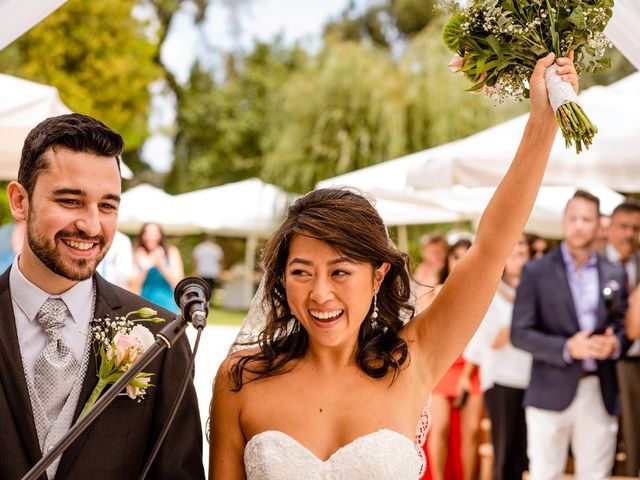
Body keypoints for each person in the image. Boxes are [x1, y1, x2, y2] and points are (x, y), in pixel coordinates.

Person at [209, 53, 580, 480]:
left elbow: (491, 248)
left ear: (378, 275)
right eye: (301, 272)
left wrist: (543, 122)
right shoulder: (241, 379)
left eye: (341, 271)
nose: (320, 293)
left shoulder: (415, 360)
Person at [0, 113, 204, 479]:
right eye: (70, 201)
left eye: (107, 206)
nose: (92, 226)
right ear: (20, 201)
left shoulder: (163, 339)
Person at [511, 190, 628, 480]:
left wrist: (615, 344)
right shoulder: (536, 271)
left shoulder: (614, 271)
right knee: (545, 474)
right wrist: (566, 348)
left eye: (586, 219)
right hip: (549, 390)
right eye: (573, 218)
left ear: (599, 224)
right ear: (563, 221)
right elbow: (520, 333)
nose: (579, 225)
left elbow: (626, 328)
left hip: (599, 390)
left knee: (596, 474)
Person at [464, 233, 532, 480]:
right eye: (513, 244)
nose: (519, 249)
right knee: (505, 456)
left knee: (528, 456)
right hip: (502, 380)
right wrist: (528, 327)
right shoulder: (490, 292)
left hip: (534, 382)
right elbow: (490, 340)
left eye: (523, 244)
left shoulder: (533, 289)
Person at [426, 239, 483, 480]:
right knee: (438, 428)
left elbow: (479, 337)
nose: (460, 261)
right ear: (448, 260)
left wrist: (467, 375)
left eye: (466, 256)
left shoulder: (482, 292)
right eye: (456, 256)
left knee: (471, 431)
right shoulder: (436, 291)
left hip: (473, 365)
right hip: (442, 367)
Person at [604, 200, 640, 476]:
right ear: (610, 228)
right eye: (623, 226)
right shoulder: (593, 261)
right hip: (600, 362)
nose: (629, 234)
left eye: (636, 228)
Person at [129, 222, 184, 313]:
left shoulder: (171, 252)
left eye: (154, 233)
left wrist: (161, 265)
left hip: (168, 306)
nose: (150, 237)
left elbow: (178, 283)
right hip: (144, 307)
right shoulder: (138, 254)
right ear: (142, 236)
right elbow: (133, 287)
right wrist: (144, 267)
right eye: (147, 233)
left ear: (160, 235)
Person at [413, 234, 448, 311]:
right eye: (429, 252)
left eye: (437, 252)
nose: (433, 256)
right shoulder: (422, 269)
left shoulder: (446, 272)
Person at [193, 234, 224, 302]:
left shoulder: (200, 247)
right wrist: (220, 271)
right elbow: (220, 261)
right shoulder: (216, 248)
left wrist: (195, 270)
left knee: (202, 287)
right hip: (213, 271)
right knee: (210, 288)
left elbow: (196, 261)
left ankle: (202, 299)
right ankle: (209, 300)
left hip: (202, 271)